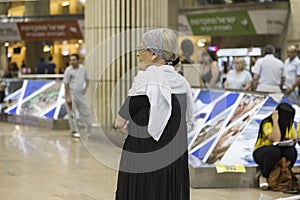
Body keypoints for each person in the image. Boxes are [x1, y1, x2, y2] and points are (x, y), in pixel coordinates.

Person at [114, 28, 193, 200]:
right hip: (173, 158)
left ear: (154, 54)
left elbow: (119, 121)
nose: (137, 54)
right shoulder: (181, 82)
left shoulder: (146, 79)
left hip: (144, 156)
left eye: (141, 49)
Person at [253, 102, 297, 190]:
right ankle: (263, 176)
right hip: (262, 152)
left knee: (292, 152)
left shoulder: (289, 125)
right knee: (274, 151)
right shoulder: (267, 123)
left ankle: (285, 173)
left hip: (280, 149)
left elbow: (293, 141)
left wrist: (289, 142)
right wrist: (275, 120)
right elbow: (276, 139)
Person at [63, 54, 93, 138]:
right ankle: (74, 131)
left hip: (80, 94)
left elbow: (87, 79)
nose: (72, 62)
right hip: (71, 93)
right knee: (72, 114)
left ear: (78, 60)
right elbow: (65, 84)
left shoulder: (83, 69)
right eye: (71, 60)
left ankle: (90, 129)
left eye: (74, 60)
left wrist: (85, 89)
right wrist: (68, 96)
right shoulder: (68, 70)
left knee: (85, 112)